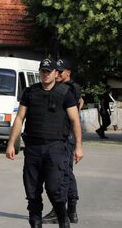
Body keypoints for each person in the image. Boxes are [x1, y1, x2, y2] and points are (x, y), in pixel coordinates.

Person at [6, 58, 84, 228]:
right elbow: (19, 119)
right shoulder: (30, 92)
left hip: (56, 147)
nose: (46, 74)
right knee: (32, 192)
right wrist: (11, 143)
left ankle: (62, 218)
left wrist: (78, 146)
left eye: (49, 72)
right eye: (43, 71)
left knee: (54, 189)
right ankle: (35, 223)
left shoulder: (65, 93)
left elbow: (75, 120)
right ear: (39, 73)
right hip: (33, 148)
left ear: (56, 74)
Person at [42, 59, 83, 224]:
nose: (57, 74)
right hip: (62, 134)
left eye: (60, 71)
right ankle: (70, 211)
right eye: (56, 71)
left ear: (68, 73)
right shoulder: (65, 88)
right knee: (66, 172)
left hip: (65, 135)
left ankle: (62, 210)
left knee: (62, 174)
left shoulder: (69, 89)